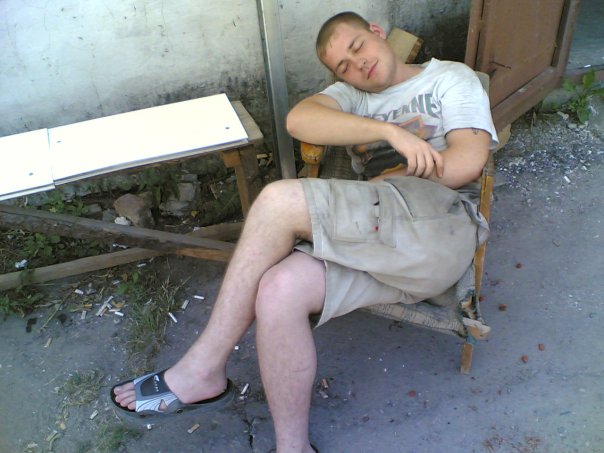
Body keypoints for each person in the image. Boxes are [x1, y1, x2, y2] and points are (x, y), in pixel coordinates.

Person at [112, 11, 498, 453]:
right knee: (279, 290)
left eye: (358, 47)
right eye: (343, 67)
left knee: (279, 201)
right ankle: (292, 448)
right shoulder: (352, 96)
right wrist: (390, 132)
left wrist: (393, 174)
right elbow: (299, 120)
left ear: (376, 32)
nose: (357, 65)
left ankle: (202, 369)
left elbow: (467, 162)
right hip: (379, 240)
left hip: (436, 227)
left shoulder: (448, 78)